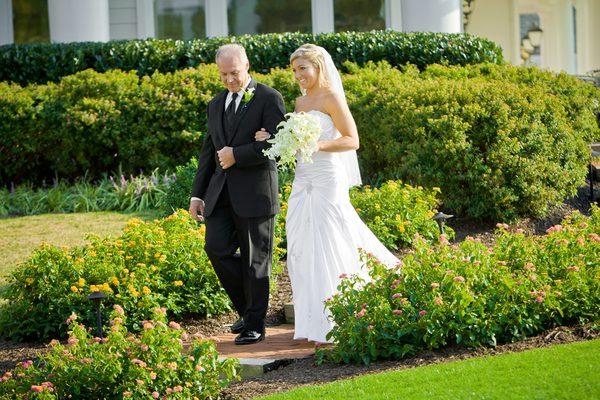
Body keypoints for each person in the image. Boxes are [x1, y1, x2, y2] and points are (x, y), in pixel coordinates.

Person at [255, 44, 399, 344]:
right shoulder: (300, 101)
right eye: (294, 70)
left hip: (327, 176)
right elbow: (294, 141)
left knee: (332, 237)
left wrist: (318, 145)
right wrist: (275, 139)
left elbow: (352, 140)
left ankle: (345, 311)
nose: (298, 75)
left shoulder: (332, 97)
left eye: (303, 69)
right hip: (303, 177)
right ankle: (315, 320)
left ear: (318, 66)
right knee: (302, 242)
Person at [189, 44, 286, 345]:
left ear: (247, 65)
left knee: (256, 259)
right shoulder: (215, 104)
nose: (230, 80)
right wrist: (197, 195)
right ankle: (249, 310)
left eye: (234, 73)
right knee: (216, 248)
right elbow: (209, 152)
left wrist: (238, 154)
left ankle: (255, 325)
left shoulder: (270, 98)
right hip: (221, 193)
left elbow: (279, 146)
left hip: (256, 193)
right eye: (223, 75)